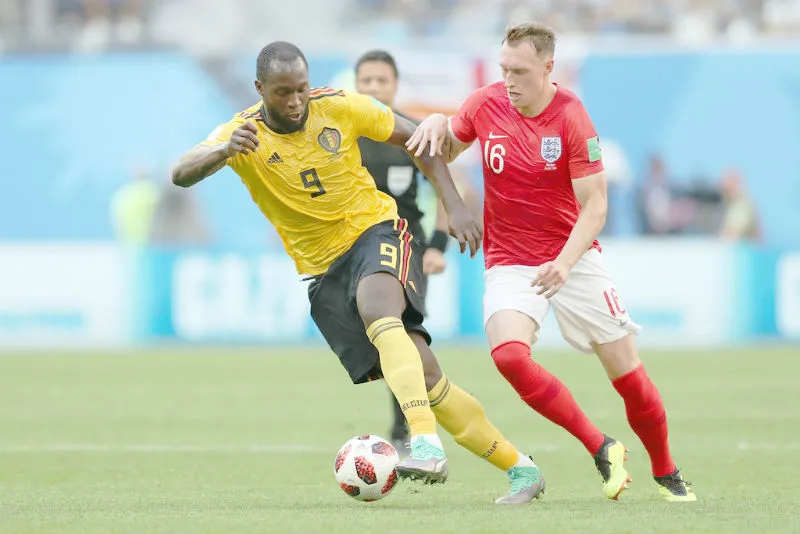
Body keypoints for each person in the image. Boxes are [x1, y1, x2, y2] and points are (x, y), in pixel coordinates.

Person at [172, 41, 544, 504]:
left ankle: (424, 443)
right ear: (259, 89)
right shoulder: (241, 134)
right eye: (282, 92)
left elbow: (422, 144)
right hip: (324, 271)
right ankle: (521, 470)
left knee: (378, 311)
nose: (295, 102)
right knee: (427, 377)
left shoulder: (341, 107)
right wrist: (224, 151)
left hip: (375, 230)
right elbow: (181, 172)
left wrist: (455, 205)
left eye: (301, 89)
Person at [407, 23, 696, 502]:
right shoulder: (484, 103)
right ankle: (600, 446)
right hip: (510, 260)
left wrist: (563, 263)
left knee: (628, 376)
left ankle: (666, 471)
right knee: (509, 356)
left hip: (574, 258)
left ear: (547, 68)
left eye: (519, 71)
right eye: (503, 69)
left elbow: (596, 207)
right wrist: (439, 125)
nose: (509, 80)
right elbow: (446, 152)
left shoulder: (572, 118)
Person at [354, 49, 451, 454]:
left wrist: (439, 244)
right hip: (357, 250)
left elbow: (445, 187)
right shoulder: (344, 134)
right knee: (378, 343)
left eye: (382, 81)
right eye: (367, 81)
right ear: (356, 85)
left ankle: (406, 431)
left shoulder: (410, 133)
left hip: (409, 247)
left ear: (394, 86)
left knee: (404, 337)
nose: (374, 88)